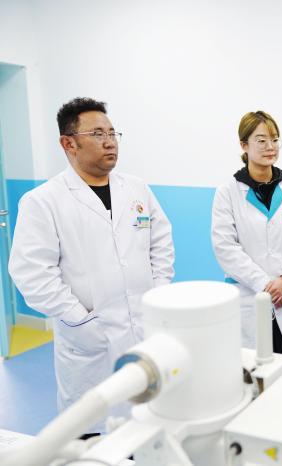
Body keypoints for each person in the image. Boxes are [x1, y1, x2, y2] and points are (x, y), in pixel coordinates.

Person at [8, 97, 175, 432]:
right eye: (98, 134)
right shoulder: (43, 201)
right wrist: (80, 321)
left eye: (112, 133)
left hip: (144, 330)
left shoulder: (137, 189)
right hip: (89, 342)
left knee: (147, 428)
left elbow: (161, 245)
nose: (110, 141)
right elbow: (32, 274)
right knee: (95, 434)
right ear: (68, 143)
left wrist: (156, 295)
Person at [211, 111, 282, 371]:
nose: (270, 146)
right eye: (261, 140)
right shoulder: (227, 193)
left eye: (274, 139)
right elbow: (225, 247)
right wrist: (265, 285)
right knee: (255, 373)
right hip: (250, 297)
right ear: (244, 145)